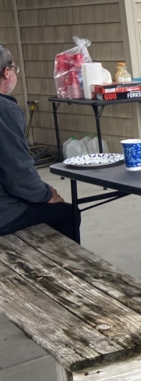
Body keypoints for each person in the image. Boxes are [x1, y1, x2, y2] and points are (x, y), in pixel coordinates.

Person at [0, 45, 79, 243]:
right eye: (14, 69)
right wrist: (45, 194)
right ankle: (66, 262)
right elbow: (18, 173)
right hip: (4, 212)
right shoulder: (5, 111)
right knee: (67, 213)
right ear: (6, 72)